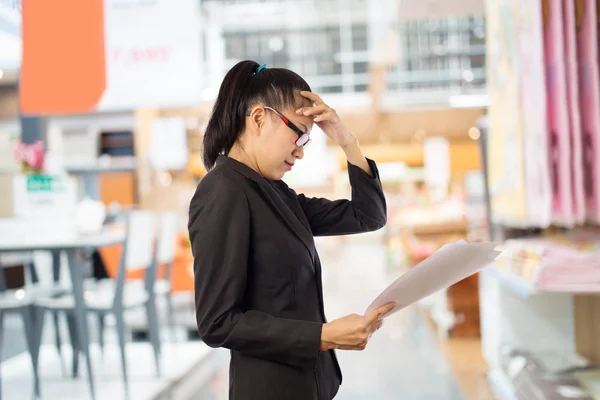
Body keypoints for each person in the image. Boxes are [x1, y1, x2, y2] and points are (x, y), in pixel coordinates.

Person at [188, 60, 396, 400]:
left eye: (307, 140)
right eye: (297, 133)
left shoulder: (275, 193)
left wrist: (346, 140)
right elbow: (217, 322)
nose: (300, 151)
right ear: (258, 118)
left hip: (308, 385)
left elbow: (367, 215)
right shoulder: (223, 191)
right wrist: (324, 336)